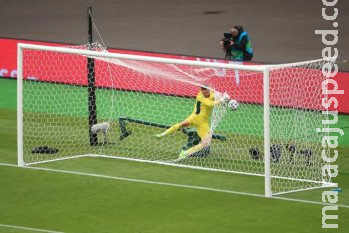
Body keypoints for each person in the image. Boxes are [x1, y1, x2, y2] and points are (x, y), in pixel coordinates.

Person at [156, 86, 229, 160]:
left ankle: (185, 153)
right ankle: (163, 134)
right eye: (204, 92)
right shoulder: (200, 96)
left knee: (206, 143)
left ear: (209, 90)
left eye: (207, 92)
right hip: (194, 118)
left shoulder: (213, 94)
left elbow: (218, 101)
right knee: (182, 124)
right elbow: (210, 104)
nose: (206, 94)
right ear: (201, 91)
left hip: (203, 123)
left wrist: (226, 99)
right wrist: (222, 99)